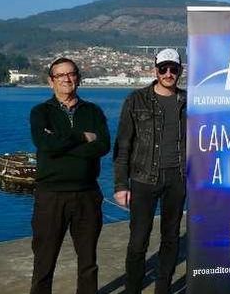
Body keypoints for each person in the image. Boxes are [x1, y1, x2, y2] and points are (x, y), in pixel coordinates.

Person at [29, 57, 110, 294]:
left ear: (78, 78)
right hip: (51, 196)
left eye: (71, 74)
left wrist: (61, 143)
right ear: (50, 82)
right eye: (60, 75)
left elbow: (103, 146)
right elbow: (46, 145)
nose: (66, 79)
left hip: (87, 195)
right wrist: (81, 137)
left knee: (88, 262)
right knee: (44, 261)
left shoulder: (93, 111)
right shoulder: (40, 112)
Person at [113, 48, 187, 294]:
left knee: (171, 237)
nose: (168, 73)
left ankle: (163, 288)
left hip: (177, 178)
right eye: (163, 68)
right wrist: (121, 185)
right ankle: (133, 289)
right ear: (155, 70)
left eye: (173, 69)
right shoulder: (136, 100)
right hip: (143, 179)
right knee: (138, 241)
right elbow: (123, 144)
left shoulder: (189, 101)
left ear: (180, 72)